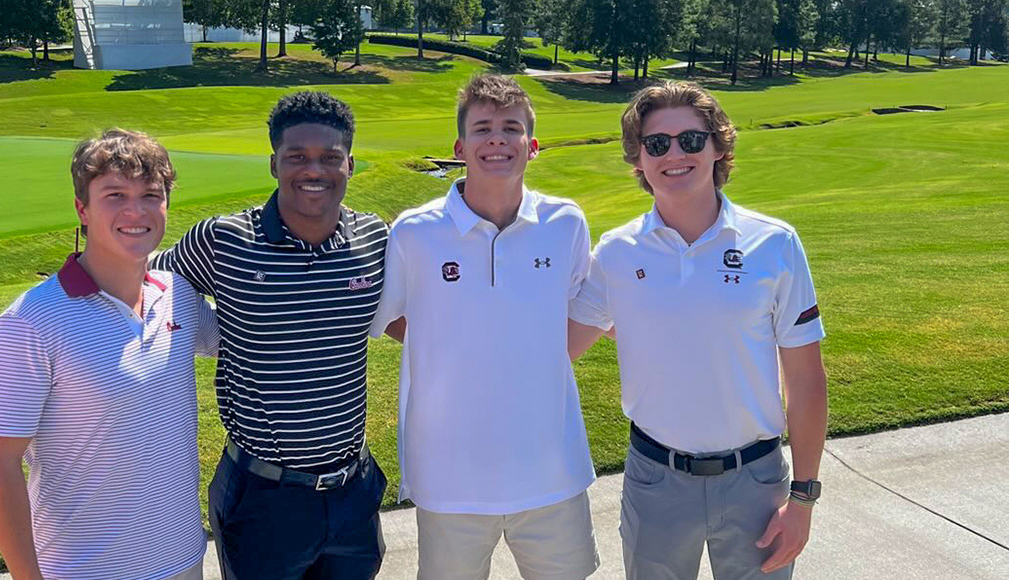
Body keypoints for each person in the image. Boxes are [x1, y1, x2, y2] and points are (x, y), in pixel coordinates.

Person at [568, 80, 829, 579]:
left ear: (717, 147)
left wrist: (804, 499)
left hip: (756, 481)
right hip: (654, 480)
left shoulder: (774, 244)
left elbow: (805, 378)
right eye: (656, 144)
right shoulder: (617, 253)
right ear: (639, 159)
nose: (674, 154)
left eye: (691, 139)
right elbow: (558, 346)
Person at [150, 91, 389, 580]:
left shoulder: (374, 238)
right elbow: (143, 285)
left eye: (329, 157)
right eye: (296, 156)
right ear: (273, 163)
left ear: (351, 164)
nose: (313, 170)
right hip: (263, 498)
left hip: (352, 490)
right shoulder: (224, 240)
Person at [371, 73, 600, 580]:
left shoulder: (567, 223)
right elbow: (387, 316)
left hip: (552, 469)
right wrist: (452, 340)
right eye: (482, 128)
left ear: (532, 145)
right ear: (459, 146)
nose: (497, 138)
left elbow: (580, 311)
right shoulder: (414, 231)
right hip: (448, 475)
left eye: (511, 128)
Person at [0, 129, 219, 580]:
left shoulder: (177, 295)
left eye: (151, 194)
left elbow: (242, 339)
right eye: (115, 194)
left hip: (184, 559)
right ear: (82, 209)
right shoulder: (29, 322)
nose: (136, 210)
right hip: (84, 570)